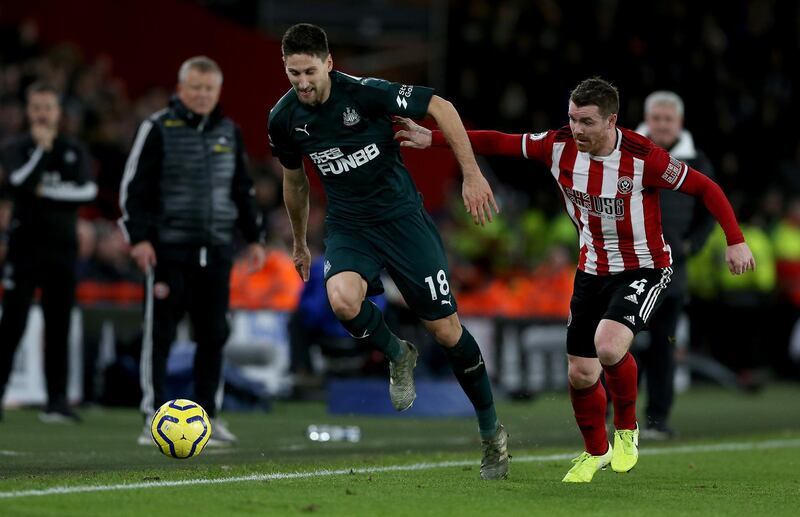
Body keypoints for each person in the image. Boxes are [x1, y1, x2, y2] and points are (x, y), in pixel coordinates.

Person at [396, 77, 755, 483]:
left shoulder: (644, 157)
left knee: (608, 344)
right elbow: (500, 141)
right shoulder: (558, 145)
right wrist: (436, 138)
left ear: (611, 121)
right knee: (580, 373)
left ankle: (626, 429)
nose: (577, 129)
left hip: (645, 266)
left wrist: (736, 241)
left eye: (586, 122)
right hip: (592, 270)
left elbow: (706, 188)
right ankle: (593, 451)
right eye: (572, 119)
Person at [268, 23, 508, 480]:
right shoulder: (283, 118)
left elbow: (441, 106)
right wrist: (300, 242)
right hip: (349, 227)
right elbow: (294, 179)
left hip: (403, 223)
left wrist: (471, 174)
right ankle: (398, 353)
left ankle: (491, 431)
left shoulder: (366, 93)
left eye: (309, 71)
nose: (302, 82)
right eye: (293, 73)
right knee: (341, 300)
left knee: (446, 331)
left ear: (329, 63)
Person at [119, 56, 266, 444]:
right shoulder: (156, 127)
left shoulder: (229, 132)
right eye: (195, 88)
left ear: (218, 92)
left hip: (217, 250)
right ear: (181, 89)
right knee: (160, 334)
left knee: (214, 335)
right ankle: (153, 415)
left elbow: (242, 190)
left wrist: (254, 237)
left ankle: (209, 415)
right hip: (168, 251)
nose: (202, 95)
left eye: (209, 89)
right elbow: (134, 189)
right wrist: (139, 238)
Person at [0, 81, 97, 423]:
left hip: (62, 252)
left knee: (58, 327)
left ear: (58, 112)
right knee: (11, 325)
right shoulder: (16, 147)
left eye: (48, 108)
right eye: (37, 107)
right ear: (29, 111)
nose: (42, 114)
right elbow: (17, 184)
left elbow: (88, 191)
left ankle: (56, 402)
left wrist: (42, 191)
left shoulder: (73, 149)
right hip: (23, 251)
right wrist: (40, 154)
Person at [634, 91, 717, 439]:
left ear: (679, 123)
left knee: (662, 352)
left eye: (669, 119)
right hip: (630, 271)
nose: (663, 124)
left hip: (672, 277)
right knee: (620, 348)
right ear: (648, 120)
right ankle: (614, 419)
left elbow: (709, 213)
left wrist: (688, 246)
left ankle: (657, 421)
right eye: (657, 118)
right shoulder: (628, 155)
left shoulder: (697, 162)